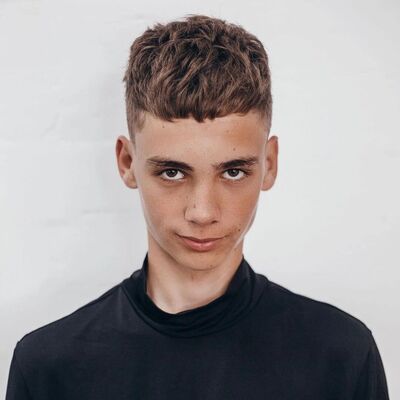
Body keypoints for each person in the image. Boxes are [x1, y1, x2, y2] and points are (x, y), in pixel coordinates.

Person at [5, 14, 390, 400]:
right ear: (127, 162)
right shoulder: (49, 368)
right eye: (172, 172)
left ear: (269, 164)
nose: (203, 212)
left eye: (233, 172)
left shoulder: (340, 358)